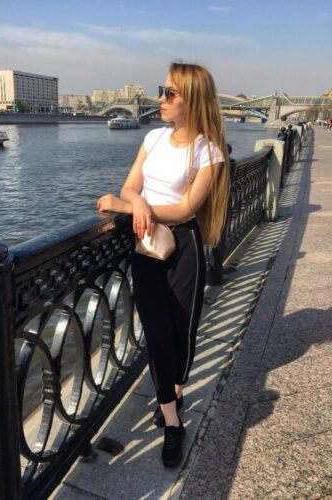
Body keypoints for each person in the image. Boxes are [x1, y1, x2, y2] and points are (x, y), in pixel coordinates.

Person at [97, 62, 230, 468]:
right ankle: (172, 420)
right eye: (163, 89)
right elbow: (129, 185)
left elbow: (186, 208)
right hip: (146, 246)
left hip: (182, 247)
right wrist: (135, 202)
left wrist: (133, 208)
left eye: (170, 92)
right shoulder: (153, 138)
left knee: (180, 330)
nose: (161, 98)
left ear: (193, 100)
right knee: (156, 331)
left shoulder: (208, 150)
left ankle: (175, 388)